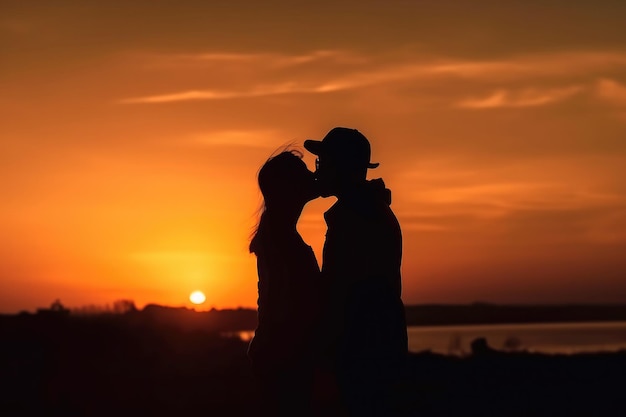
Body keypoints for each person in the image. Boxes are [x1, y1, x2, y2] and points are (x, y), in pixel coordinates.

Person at [305, 127, 408, 417]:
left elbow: (343, 297)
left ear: (342, 167)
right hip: (373, 352)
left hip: (361, 357)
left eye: (322, 164)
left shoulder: (355, 218)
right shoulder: (364, 210)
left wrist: (327, 361)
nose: (317, 171)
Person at [248, 150, 321, 417]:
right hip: (285, 358)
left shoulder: (277, 233)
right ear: (288, 188)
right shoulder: (282, 240)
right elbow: (294, 307)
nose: (312, 176)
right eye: (304, 174)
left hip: (276, 355)